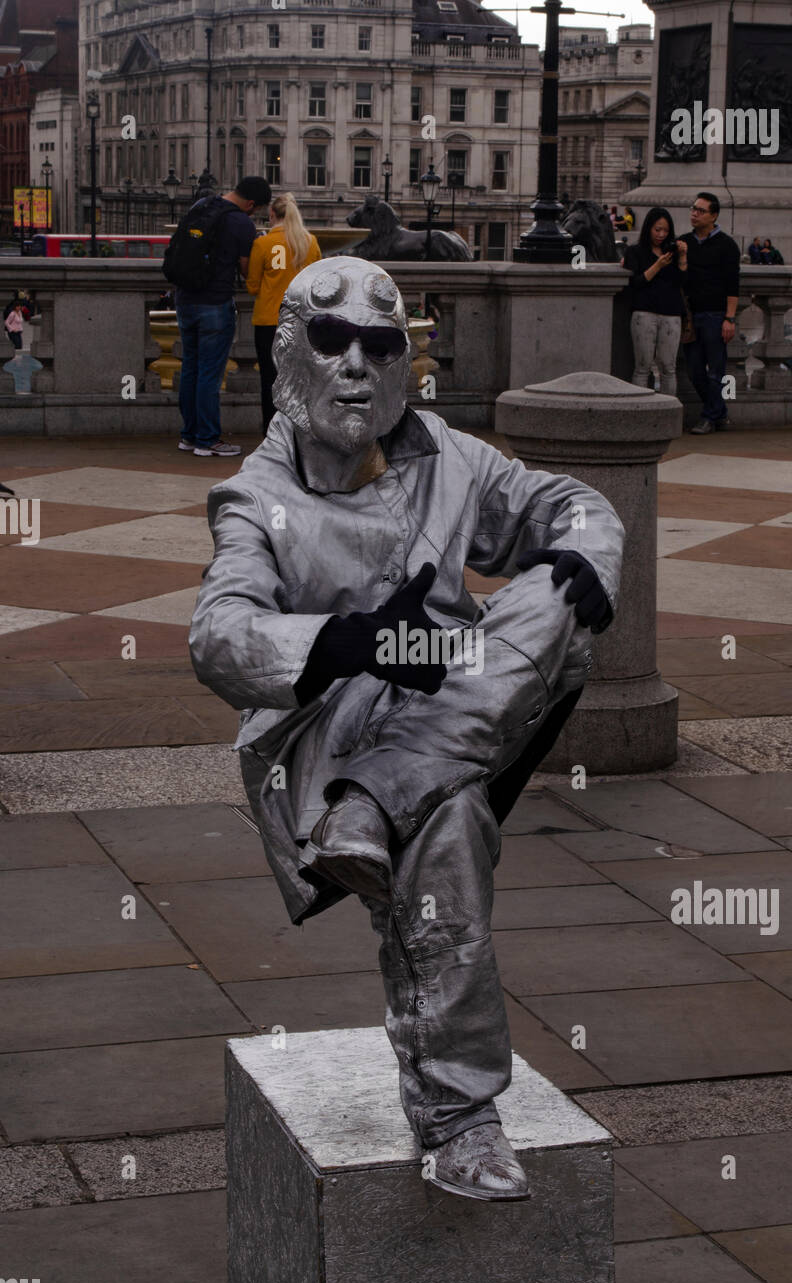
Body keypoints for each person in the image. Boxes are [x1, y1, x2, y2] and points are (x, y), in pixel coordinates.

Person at [189, 257, 625, 1203]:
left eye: (380, 347)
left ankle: (379, 800)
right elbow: (220, 640)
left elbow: (575, 505)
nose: (356, 365)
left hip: (450, 703)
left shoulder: (452, 457)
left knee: (555, 595)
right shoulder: (252, 496)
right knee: (450, 826)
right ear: (288, 356)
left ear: (402, 364)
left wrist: (587, 556)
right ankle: (460, 1119)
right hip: (321, 741)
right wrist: (350, 641)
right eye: (332, 342)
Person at [172, 176, 272, 457]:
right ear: (251, 204)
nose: (255, 213)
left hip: (185, 299)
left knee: (190, 368)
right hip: (215, 302)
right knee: (209, 375)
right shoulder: (241, 222)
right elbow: (246, 270)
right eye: (256, 209)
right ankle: (208, 440)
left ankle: (189, 436)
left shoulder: (201, 205)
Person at [245, 192, 321, 434]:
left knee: (270, 377)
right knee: (300, 378)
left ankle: (272, 429)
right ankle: (299, 429)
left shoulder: (263, 244)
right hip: (302, 320)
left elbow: (253, 286)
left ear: (272, 216)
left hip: (269, 320)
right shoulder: (310, 243)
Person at [680, 191, 740, 434]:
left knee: (716, 371)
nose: (694, 213)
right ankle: (720, 412)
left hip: (716, 315)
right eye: (693, 208)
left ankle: (709, 416)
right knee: (694, 370)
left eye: (701, 210)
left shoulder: (727, 245)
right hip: (691, 317)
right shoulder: (684, 242)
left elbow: (732, 284)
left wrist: (730, 318)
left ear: (713, 215)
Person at [621, 205, 687, 398]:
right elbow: (636, 282)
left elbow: (682, 282)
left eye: (665, 231)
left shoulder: (673, 253)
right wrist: (658, 265)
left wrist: (682, 256)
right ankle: (640, 412)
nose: (661, 234)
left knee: (668, 368)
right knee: (642, 367)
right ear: (648, 228)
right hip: (644, 312)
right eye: (657, 229)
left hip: (672, 314)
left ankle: (668, 413)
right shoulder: (635, 251)